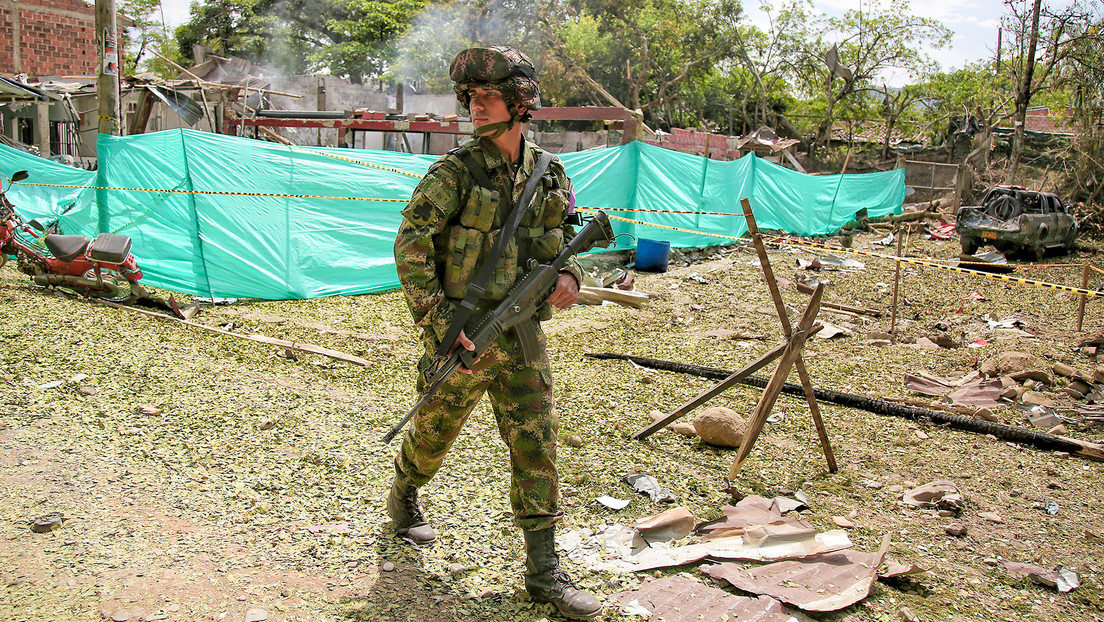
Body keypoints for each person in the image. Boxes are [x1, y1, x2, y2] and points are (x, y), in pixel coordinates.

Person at [389, 46, 603, 620]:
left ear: (520, 102)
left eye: (486, 97)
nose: (474, 107)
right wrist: (440, 326)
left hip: (523, 337)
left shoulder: (549, 174)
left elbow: (560, 242)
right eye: (470, 98)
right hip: (463, 338)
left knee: (536, 443)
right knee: (431, 436)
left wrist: (571, 274)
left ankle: (543, 573)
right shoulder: (454, 174)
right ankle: (405, 495)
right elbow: (410, 250)